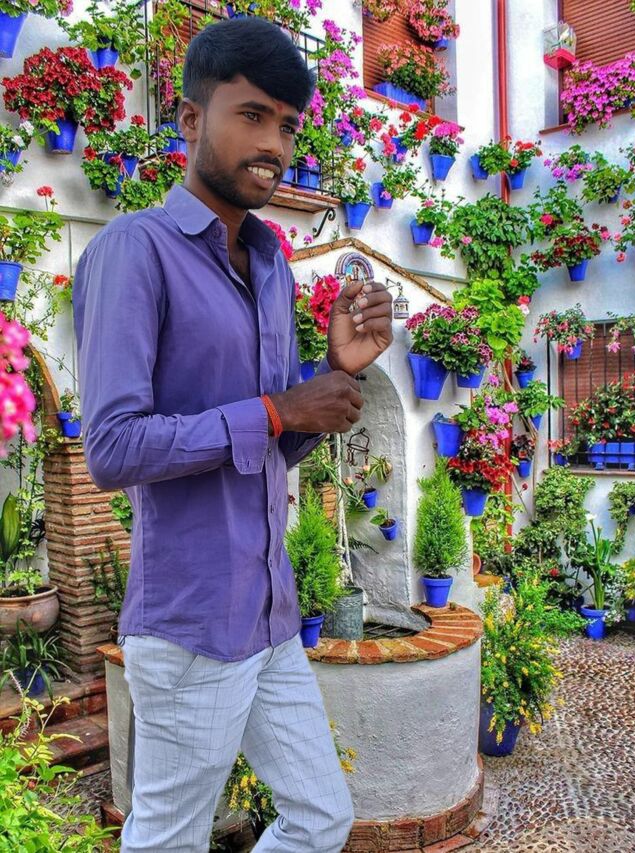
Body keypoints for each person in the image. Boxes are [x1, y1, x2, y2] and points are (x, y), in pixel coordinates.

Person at [73, 15, 392, 853]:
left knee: (321, 817)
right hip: (189, 627)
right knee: (168, 839)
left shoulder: (273, 264)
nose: (274, 144)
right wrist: (280, 408)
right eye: (252, 115)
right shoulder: (133, 251)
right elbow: (113, 448)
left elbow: (269, 447)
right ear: (190, 118)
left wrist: (335, 376)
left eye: (287, 124)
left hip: (269, 614)